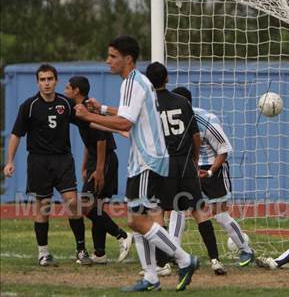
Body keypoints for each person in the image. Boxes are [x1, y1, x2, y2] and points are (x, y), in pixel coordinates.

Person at [73, 35, 198, 292]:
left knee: (135, 221)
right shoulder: (139, 82)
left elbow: (125, 124)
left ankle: (185, 259)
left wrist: (88, 115)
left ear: (127, 59)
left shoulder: (132, 83)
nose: (108, 61)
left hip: (146, 160)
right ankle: (151, 277)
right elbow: (129, 113)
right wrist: (103, 108)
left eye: (113, 56)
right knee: (143, 219)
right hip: (148, 159)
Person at [3, 64, 91, 266]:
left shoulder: (66, 103)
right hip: (38, 161)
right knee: (42, 206)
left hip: (63, 160)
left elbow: (86, 122)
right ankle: (43, 254)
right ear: (38, 82)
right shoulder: (29, 105)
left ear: (56, 80)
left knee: (72, 202)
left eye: (50, 79)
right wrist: (9, 161)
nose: (46, 83)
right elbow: (16, 134)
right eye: (42, 79)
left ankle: (81, 251)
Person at [145, 62, 227, 276]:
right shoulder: (181, 101)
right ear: (167, 79)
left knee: (158, 212)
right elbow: (195, 135)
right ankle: (215, 260)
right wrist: (194, 159)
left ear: (148, 81)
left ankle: (162, 265)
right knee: (200, 211)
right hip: (185, 163)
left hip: (163, 164)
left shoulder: (148, 104)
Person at [172, 86, 254, 267]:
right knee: (177, 209)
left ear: (185, 105)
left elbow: (223, 151)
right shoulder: (172, 122)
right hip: (188, 168)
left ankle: (246, 249)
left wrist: (209, 172)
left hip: (212, 168)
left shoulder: (207, 120)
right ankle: (174, 253)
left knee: (220, 215)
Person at [64, 76, 133, 264]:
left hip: (105, 160)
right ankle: (100, 254)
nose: (65, 91)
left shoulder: (86, 108)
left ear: (76, 90)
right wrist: (85, 164)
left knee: (84, 206)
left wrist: (100, 169)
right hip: (98, 160)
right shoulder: (81, 109)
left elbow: (101, 139)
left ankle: (122, 235)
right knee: (97, 207)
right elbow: (90, 140)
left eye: (67, 88)